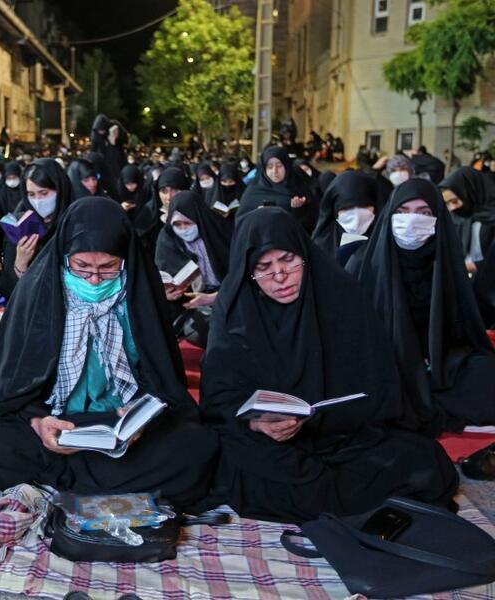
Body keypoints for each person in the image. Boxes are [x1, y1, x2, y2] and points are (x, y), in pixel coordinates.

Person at [199, 207, 458, 523]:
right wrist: (257, 423)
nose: (280, 276)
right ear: (247, 272)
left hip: (345, 435)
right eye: (263, 267)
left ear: (305, 255)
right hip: (271, 444)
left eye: (289, 260)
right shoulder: (236, 309)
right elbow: (219, 399)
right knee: (239, 466)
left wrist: (334, 416)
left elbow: (379, 385)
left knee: (425, 459)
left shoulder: (340, 293)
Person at [0, 197, 218, 507]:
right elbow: (8, 391)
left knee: (198, 444)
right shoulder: (38, 293)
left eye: (108, 268)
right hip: (55, 422)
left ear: (125, 259)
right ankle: (116, 485)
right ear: (64, 257)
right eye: (81, 267)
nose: (94, 279)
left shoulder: (139, 293)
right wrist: (38, 422)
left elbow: (162, 379)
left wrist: (141, 417)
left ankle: (61, 488)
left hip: (119, 423)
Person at [350, 178, 495, 433]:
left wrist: (433, 359)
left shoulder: (445, 262)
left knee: (485, 374)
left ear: (438, 219)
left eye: (424, 213)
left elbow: (462, 331)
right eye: (403, 212)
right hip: (384, 367)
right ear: (389, 215)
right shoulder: (363, 263)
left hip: (438, 368)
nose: (412, 221)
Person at [156, 191, 231, 347]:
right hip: (189, 301)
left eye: (188, 223)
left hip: (227, 294)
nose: (183, 229)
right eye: (177, 224)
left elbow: (247, 277)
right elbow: (161, 278)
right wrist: (168, 294)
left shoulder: (221, 233)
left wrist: (214, 297)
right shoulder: (167, 239)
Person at [0, 158, 72, 299]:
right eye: (31, 194)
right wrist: (20, 263)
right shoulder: (22, 225)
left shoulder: (74, 222)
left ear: (60, 189)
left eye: (44, 193)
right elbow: (10, 289)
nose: (37, 201)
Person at [238, 147, 318, 232]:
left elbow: (312, 222)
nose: (274, 171)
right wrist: (257, 215)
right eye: (269, 167)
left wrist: (298, 210)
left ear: (286, 166)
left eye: (279, 166)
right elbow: (241, 223)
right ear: (264, 169)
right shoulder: (253, 192)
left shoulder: (299, 188)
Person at [311, 170, 380, 267]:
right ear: (335, 211)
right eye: (347, 208)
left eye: (363, 206)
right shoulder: (321, 246)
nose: (357, 216)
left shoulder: (386, 239)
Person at [439, 166, 495, 274]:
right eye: (447, 203)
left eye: (454, 201)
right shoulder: (458, 215)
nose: (452, 208)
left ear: (470, 191)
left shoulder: (491, 213)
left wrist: (470, 267)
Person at [134, 167, 190, 251]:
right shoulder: (149, 212)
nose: (169, 197)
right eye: (164, 191)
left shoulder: (195, 209)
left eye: (175, 190)